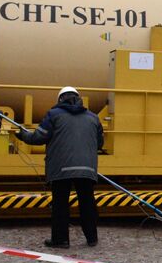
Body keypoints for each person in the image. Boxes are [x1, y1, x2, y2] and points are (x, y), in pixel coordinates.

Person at [14, 86, 104, 249]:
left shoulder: (53, 115)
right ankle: (92, 238)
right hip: (87, 169)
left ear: (60, 99)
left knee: (60, 205)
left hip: (61, 168)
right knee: (87, 203)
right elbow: (100, 143)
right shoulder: (93, 117)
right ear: (78, 98)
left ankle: (61, 240)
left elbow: (39, 137)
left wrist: (23, 134)